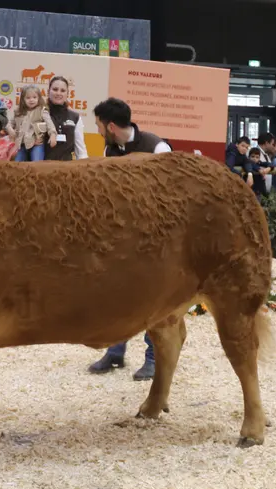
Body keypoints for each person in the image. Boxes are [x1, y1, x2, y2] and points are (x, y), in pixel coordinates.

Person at [86, 97, 172, 381]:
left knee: (152, 297)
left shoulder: (157, 146)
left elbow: (170, 193)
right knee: (117, 292)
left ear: (110, 126)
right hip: (122, 236)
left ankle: (153, 357)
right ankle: (115, 350)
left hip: (155, 237)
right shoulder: (111, 149)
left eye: (99, 125)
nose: (98, 130)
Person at [44, 76, 88, 161]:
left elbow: (81, 151)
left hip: (67, 170)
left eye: (63, 91)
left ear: (67, 94)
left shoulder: (75, 117)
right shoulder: (39, 114)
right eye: (55, 89)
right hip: (41, 169)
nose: (58, 93)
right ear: (48, 91)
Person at [10, 84, 57, 162]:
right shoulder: (18, 112)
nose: (31, 100)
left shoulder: (42, 111)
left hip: (37, 144)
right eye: (28, 98)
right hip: (22, 145)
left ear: (39, 98)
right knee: (17, 163)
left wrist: (53, 135)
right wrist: (10, 130)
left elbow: (50, 125)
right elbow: (10, 123)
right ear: (23, 99)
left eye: (34, 97)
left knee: (36, 163)